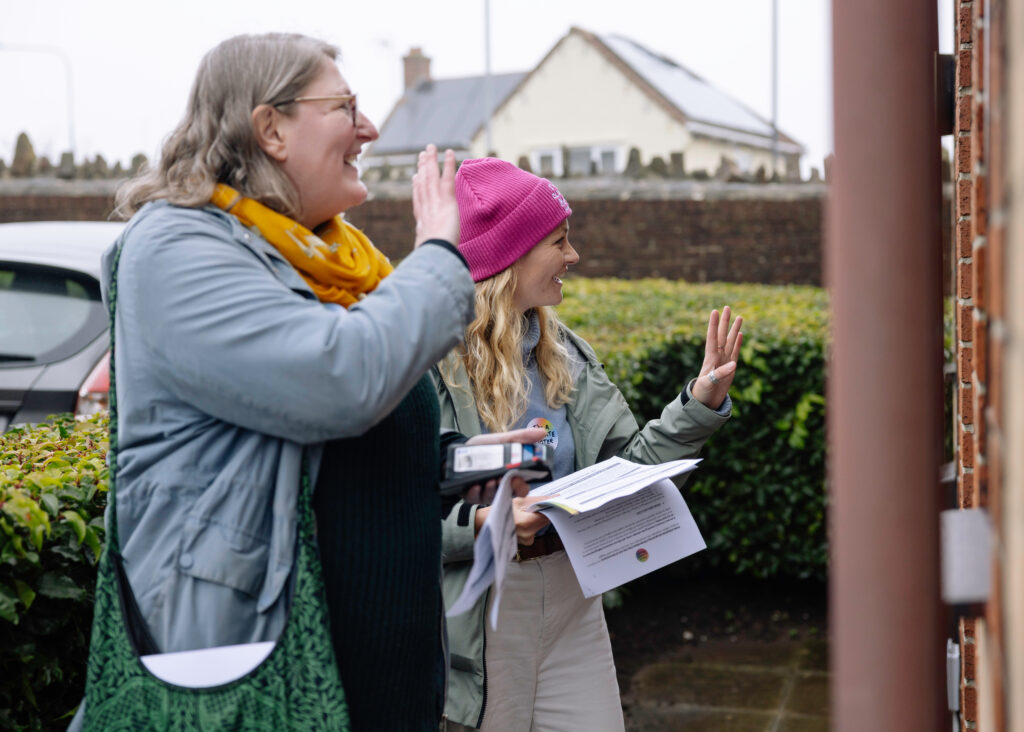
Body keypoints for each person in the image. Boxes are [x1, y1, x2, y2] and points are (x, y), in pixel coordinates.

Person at [75, 33, 485, 731]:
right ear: (270, 128)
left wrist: (451, 461)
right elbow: (340, 378)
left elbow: (340, 439)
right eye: (346, 107)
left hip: (379, 671)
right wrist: (441, 253)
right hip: (256, 671)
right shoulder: (178, 247)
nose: (370, 129)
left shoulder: (320, 255)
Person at [432, 158, 743, 731]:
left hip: (575, 596)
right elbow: (392, 513)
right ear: (511, 255)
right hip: (484, 615)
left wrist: (698, 403)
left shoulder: (563, 351)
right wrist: (486, 522)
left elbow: (631, 470)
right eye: (559, 241)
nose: (573, 257)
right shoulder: (429, 366)